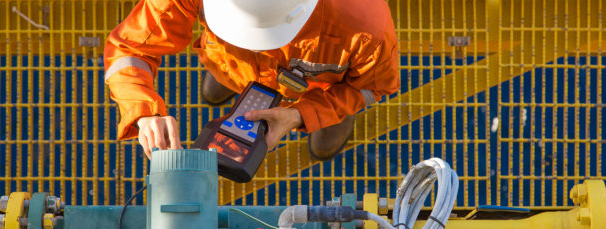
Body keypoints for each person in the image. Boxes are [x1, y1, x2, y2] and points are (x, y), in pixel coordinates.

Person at [104, 0, 399, 161]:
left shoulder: (366, 23)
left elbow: (372, 86)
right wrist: (143, 112)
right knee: (221, 83)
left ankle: (329, 118)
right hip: (228, 63)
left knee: (324, 143)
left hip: (319, 90)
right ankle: (227, 80)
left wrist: (301, 114)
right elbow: (129, 48)